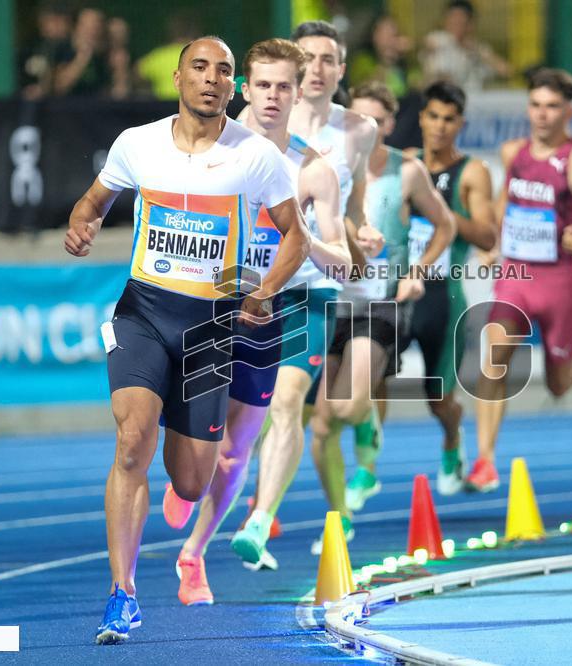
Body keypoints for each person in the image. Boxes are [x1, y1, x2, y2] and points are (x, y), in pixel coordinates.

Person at [64, 36, 309, 644]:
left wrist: (263, 292)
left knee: (193, 482)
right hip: (143, 312)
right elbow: (92, 203)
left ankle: (184, 482)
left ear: (233, 88)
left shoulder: (254, 156)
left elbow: (295, 238)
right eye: (200, 68)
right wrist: (80, 225)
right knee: (130, 441)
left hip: (211, 327)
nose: (211, 79)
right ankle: (122, 595)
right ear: (178, 77)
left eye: (223, 72)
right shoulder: (137, 144)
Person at [158, 37, 351, 602]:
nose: (272, 96)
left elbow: (340, 263)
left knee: (239, 446)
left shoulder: (315, 173)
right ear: (244, 87)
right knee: (200, 442)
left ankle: (195, 556)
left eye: (283, 87)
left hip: (291, 303)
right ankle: (186, 479)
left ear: (299, 91)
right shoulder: (213, 146)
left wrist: (302, 235)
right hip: (217, 300)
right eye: (262, 84)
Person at [229, 20, 385, 569]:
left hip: (308, 290)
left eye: (326, 61)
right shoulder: (233, 137)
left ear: (337, 72)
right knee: (240, 428)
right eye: (307, 59)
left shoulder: (348, 139)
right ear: (252, 87)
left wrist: (340, 232)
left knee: (292, 402)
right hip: (238, 291)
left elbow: (352, 204)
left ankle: (259, 520)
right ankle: (225, 496)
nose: (315, 70)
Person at [466, 68, 572, 493]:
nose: (542, 115)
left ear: (568, 112)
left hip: (560, 282)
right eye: (536, 105)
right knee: (496, 353)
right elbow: (506, 198)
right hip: (516, 274)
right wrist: (492, 241)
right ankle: (485, 460)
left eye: (552, 107)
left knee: (559, 385)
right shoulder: (514, 152)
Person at [310, 80, 455, 551]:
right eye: (356, 118)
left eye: (374, 120)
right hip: (332, 300)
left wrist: (417, 271)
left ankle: (368, 424)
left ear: (389, 125)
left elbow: (445, 225)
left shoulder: (406, 170)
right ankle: (339, 519)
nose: (363, 128)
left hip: (383, 304)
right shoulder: (328, 166)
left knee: (349, 406)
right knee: (321, 424)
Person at [365, 80, 497, 496]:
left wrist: (444, 217)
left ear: (460, 124)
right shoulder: (404, 164)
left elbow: (488, 237)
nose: (439, 127)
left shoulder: (472, 172)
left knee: (438, 400)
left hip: (443, 295)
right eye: (433, 116)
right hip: (400, 289)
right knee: (374, 373)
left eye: (449, 119)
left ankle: (452, 440)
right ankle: (368, 463)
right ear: (421, 118)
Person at [419, 0, 512, 91]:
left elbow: (507, 71)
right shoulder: (437, 39)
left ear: (470, 24)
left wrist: (477, 51)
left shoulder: (479, 49)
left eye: (460, 21)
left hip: (472, 99)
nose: (455, 25)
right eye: (452, 20)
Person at [349, 14, 417, 100]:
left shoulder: (405, 60)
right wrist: (386, 61)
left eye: (393, 33)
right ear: (374, 36)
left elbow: (417, 84)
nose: (389, 39)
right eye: (385, 33)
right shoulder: (363, 59)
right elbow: (368, 90)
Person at [136, 11, 197, 100]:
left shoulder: (157, 56)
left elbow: (137, 74)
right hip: (193, 109)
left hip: (162, 109)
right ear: (195, 31)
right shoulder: (202, 55)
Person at [19, 1, 73, 100]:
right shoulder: (29, 49)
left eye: (61, 21)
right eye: (52, 21)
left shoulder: (74, 50)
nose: (57, 26)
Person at [53, 7, 112, 96]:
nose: (92, 31)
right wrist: (83, 56)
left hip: (97, 106)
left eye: (96, 27)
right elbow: (61, 87)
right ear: (76, 27)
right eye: (87, 27)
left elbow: (110, 90)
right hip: (67, 106)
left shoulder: (104, 54)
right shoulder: (63, 49)